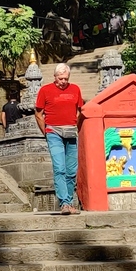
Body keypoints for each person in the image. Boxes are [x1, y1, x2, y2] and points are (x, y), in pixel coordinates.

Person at [35, 63, 84, 214]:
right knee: (59, 168)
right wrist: (46, 131)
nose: (63, 81)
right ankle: (63, 203)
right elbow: (38, 113)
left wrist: (75, 123)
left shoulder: (75, 89)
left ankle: (69, 202)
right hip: (53, 131)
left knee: (71, 171)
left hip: (70, 132)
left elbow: (80, 110)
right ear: (54, 77)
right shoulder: (45, 90)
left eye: (65, 79)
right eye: (60, 78)